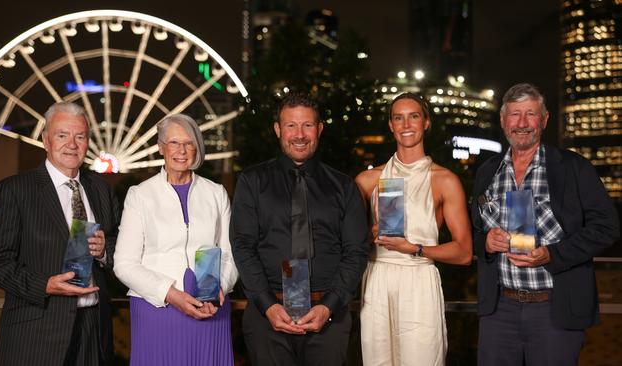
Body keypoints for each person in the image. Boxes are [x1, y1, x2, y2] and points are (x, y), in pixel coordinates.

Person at [471, 83, 620, 366]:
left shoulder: (574, 168)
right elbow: (474, 233)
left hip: (554, 310)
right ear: (503, 121)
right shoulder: (488, 171)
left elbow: (607, 227)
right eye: (515, 114)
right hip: (499, 310)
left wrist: (554, 254)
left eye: (531, 114)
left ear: (545, 119)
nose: (523, 123)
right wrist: (486, 243)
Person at [230, 92, 369, 365]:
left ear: (319, 129)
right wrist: (268, 305)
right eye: (291, 125)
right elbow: (243, 246)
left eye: (307, 125)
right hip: (266, 317)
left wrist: (328, 306)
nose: (299, 134)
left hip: (329, 318)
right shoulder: (252, 182)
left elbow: (356, 252)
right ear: (278, 129)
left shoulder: (344, 187)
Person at [0, 102, 120, 365]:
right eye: (62, 135)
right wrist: (44, 285)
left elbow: (117, 242)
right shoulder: (16, 190)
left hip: (93, 330)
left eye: (80, 136)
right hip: (36, 331)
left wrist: (104, 250)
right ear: (45, 140)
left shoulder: (100, 189)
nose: (72, 144)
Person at [355, 92, 473, 365]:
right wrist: (366, 233)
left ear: (426, 122)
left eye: (414, 116)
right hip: (376, 280)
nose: (406, 124)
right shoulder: (367, 180)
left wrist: (416, 249)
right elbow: (343, 236)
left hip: (419, 280)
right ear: (391, 125)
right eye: (399, 118)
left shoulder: (445, 180)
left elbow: (464, 252)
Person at [114, 114, 238, 365]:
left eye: (189, 143)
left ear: (197, 147)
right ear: (161, 147)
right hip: (157, 308)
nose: (182, 151)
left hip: (210, 309)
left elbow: (229, 254)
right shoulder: (140, 195)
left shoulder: (216, 193)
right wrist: (169, 294)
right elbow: (124, 264)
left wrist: (221, 288)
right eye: (174, 143)